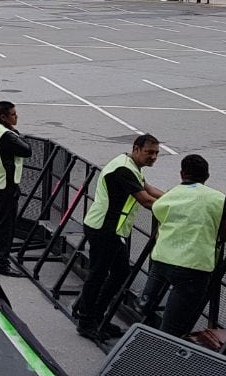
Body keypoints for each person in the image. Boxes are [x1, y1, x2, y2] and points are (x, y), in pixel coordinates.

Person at [75, 134, 165, 340]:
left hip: (113, 230)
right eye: (149, 152)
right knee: (97, 275)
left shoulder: (130, 166)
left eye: (156, 153)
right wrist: (176, 210)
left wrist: (176, 197)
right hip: (104, 229)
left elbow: (148, 189)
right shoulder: (124, 170)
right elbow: (145, 200)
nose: (153, 157)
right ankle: (86, 321)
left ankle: (97, 315)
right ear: (136, 148)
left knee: (120, 272)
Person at [140, 155, 226, 337]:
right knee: (174, 327)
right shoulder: (218, 199)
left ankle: (145, 305)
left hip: (162, 261)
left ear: (181, 174)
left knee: (146, 304)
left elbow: (160, 218)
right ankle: (164, 359)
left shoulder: (168, 197)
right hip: (194, 267)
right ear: (207, 176)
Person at [0, 101, 32, 277]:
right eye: (13, 114)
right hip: (6, 184)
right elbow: (26, 150)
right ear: (3, 117)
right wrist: (15, 133)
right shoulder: (7, 135)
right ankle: (1, 262)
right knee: (5, 225)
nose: (16, 117)